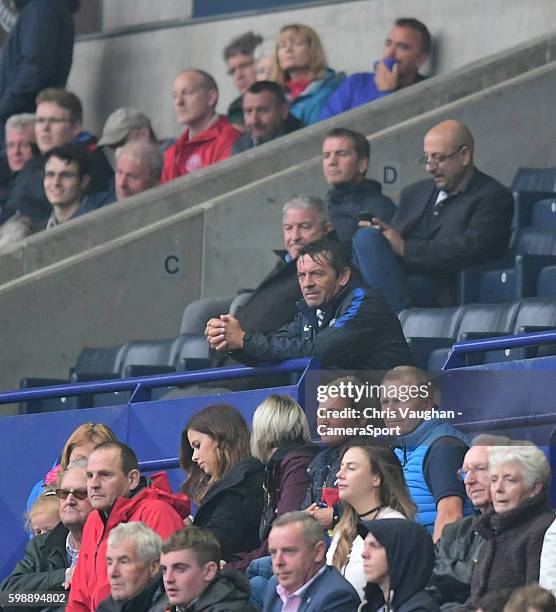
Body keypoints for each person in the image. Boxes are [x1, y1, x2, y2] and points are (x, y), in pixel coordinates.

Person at [352, 119, 514, 311]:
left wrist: (406, 248)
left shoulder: (492, 196)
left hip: (441, 289)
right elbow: (394, 242)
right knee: (367, 239)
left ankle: (397, 318)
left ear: (464, 155)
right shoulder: (414, 192)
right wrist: (385, 237)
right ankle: (393, 318)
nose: (430, 167)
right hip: (397, 279)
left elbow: (473, 248)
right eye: (427, 158)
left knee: (366, 244)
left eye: (438, 158)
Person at [206, 237, 412, 371]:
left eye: (317, 274)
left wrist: (244, 340)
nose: (307, 284)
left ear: (343, 277)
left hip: (389, 410)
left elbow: (318, 350)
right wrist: (234, 344)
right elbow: (272, 350)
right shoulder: (311, 313)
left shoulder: (365, 302)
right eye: (302, 276)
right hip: (342, 411)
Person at [67, 441, 190, 612]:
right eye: (89, 476)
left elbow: (173, 590)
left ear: (132, 479)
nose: (93, 484)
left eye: (105, 475)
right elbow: (79, 600)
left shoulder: (157, 513)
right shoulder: (94, 519)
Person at [1, 88, 113, 238]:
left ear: (75, 128)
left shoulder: (91, 164)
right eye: (40, 121)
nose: (45, 129)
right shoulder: (36, 161)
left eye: (54, 121)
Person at [381, 366, 470, 540]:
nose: (390, 410)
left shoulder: (443, 447)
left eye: (400, 400)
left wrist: (438, 566)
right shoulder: (399, 448)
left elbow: (451, 516)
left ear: (427, 404)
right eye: (385, 402)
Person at [466, 445, 555, 609]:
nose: (498, 489)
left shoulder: (542, 531)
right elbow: (475, 603)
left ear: (535, 488)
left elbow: (536, 603)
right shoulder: (492, 532)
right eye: (494, 480)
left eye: (510, 480)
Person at [427, 435, 509, 609]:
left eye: (479, 469)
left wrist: (445, 572)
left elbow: (495, 579)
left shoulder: (524, 526)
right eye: (464, 473)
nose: (469, 480)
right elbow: (424, 578)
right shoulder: (454, 530)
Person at [327, 441, 416, 599]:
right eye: (341, 466)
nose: (339, 474)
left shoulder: (394, 526)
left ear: (377, 478)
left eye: (351, 468)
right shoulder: (343, 528)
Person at [179, 404, 264, 561]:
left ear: (221, 437)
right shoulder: (237, 480)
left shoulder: (240, 483)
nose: (194, 457)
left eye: (197, 446)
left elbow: (216, 544)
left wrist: (186, 533)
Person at [0, 460, 92, 606]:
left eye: (81, 493)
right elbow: (7, 598)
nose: (69, 500)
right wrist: (63, 577)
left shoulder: (112, 546)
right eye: (64, 493)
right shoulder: (40, 545)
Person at [0, 0, 79, 151]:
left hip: (22, 122)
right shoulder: (42, 8)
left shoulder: (43, 9)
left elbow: (35, 70)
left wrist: (4, 106)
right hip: (23, 118)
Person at [322, 18, 431, 120]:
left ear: (420, 59)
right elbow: (322, 129)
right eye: (388, 44)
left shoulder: (428, 91)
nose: (389, 54)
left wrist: (385, 93)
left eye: (402, 47)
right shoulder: (356, 83)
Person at [263, 511, 360, 612]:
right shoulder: (275, 585)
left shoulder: (338, 598)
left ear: (318, 552)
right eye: (273, 553)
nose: (278, 562)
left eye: (289, 551)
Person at [161, 70, 240, 183]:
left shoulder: (229, 139)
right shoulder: (173, 151)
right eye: (175, 96)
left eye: (187, 93)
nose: (179, 101)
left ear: (211, 98)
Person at [322, 127, 395, 245]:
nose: (332, 162)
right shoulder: (325, 207)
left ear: (362, 163)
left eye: (341, 154)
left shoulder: (380, 207)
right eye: (326, 155)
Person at [161, 527, 259, 612]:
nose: (168, 579)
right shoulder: (165, 605)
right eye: (164, 569)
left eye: (180, 569)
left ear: (208, 571)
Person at [358, 518, 439, 612]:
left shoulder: (420, 609)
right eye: (365, 545)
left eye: (375, 545)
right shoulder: (376, 606)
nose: (364, 554)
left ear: (402, 553)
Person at [273, 24, 343, 126]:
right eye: (282, 46)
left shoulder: (330, 89)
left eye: (297, 44)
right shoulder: (274, 94)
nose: (288, 50)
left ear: (312, 50)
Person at [97, 522, 165, 612]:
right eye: (110, 562)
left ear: (154, 566)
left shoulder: (171, 606)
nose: (113, 573)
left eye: (124, 562)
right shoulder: (106, 608)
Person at [232, 80, 302, 154]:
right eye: (248, 111)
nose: (254, 121)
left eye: (262, 111)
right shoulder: (239, 147)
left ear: (284, 111)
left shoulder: (302, 141)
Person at [43, 144, 91, 228]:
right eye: (50, 174)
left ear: (84, 181)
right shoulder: (36, 231)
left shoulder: (95, 224)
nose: (56, 183)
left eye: (66, 175)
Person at [223, 31, 262, 128]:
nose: (238, 76)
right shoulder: (237, 109)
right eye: (233, 71)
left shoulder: (290, 96)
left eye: (244, 66)